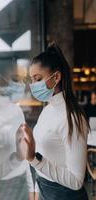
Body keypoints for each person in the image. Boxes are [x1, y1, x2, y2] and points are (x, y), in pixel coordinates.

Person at [17, 42, 90, 200]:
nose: (33, 85)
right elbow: (45, 155)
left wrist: (33, 159)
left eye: (38, 79)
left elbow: (76, 181)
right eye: (32, 80)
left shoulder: (71, 117)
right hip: (45, 190)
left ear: (56, 77)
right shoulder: (48, 108)